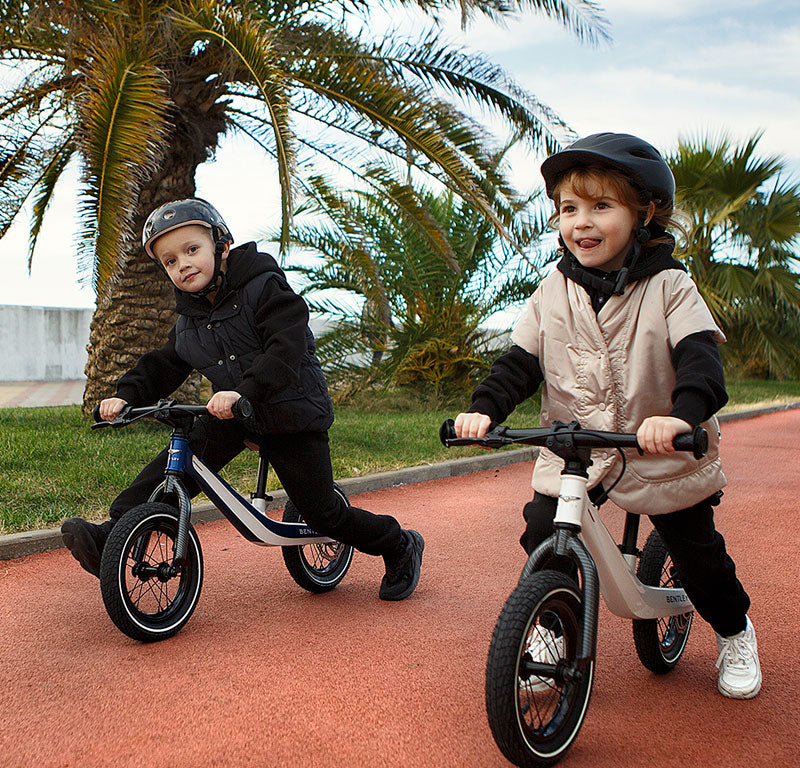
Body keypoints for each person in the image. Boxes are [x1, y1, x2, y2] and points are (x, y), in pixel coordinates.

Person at [453, 133, 761, 699]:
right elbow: (518, 365)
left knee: (699, 559)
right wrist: (482, 410)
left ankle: (734, 630)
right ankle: (551, 625)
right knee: (543, 530)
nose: (582, 223)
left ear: (644, 213)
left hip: (661, 450)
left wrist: (681, 417)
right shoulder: (552, 291)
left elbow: (701, 363)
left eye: (602, 206)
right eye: (569, 209)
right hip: (580, 449)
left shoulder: (670, 286)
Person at [62, 198, 424, 601]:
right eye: (169, 261)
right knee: (173, 466)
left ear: (222, 245)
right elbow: (163, 364)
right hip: (236, 415)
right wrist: (125, 397)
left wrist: (244, 392)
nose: (182, 263)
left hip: (291, 413)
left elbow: (284, 347)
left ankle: (399, 544)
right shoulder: (189, 322)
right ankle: (113, 537)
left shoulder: (264, 285)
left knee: (324, 513)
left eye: (192, 249)